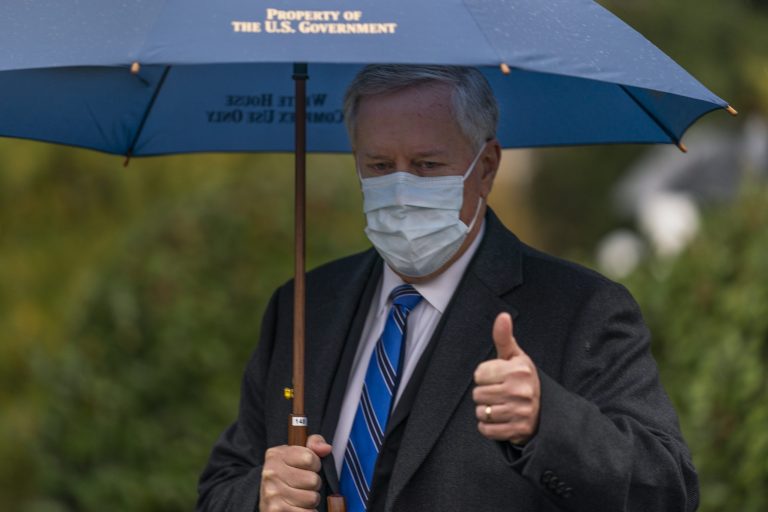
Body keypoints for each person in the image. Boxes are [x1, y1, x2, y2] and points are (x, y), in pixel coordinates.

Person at [197, 65, 699, 512]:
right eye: (377, 165)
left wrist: (549, 423)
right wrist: (261, 496)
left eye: (426, 166)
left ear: (485, 169)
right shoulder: (305, 306)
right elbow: (221, 487)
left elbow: (666, 490)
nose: (399, 187)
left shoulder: (581, 309)